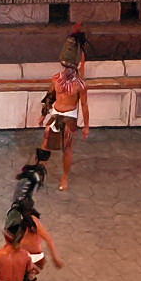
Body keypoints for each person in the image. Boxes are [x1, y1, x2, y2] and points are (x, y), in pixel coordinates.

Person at [39, 28, 90, 191]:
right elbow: (50, 97)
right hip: (56, 113)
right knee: (46, 142)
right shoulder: (56, 79)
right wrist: (43, 115)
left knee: (67, 145)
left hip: (69, 116)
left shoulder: (80, 85)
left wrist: (86, 125)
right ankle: (39, 172)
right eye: (64, 67)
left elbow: (84, 105)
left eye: (69, 68)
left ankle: (65, 177)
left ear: (74, 68)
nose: (66, 70)